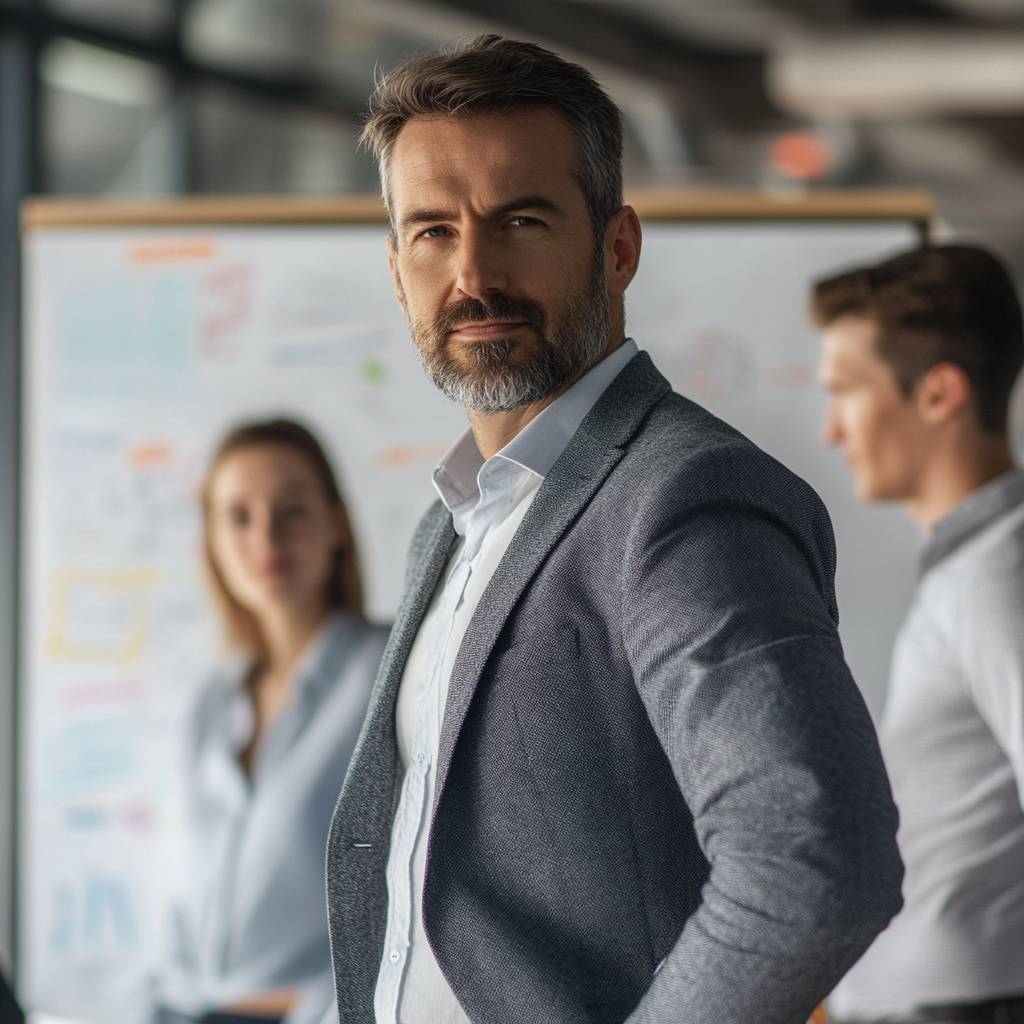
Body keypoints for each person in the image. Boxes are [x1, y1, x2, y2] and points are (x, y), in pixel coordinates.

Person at [325, 35, 903, 1024]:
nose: (473, 273)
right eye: (432, 231)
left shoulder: (683, 498)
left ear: (618, 245)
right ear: (395, 269)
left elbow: (814, 859)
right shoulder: (448, 525)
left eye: (520, 219)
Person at [813, 245, 1024, 1024]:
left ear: (938, 394)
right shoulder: (973, 565)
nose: (832, 430)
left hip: (961, 1003)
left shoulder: (999, 579)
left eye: (846, 392)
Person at [153, 418, 388, 1024]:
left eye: (292, 510)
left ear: (336, 524)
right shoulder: (212, 700)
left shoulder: (389, 673)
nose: (266, 538)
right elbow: (179, 897)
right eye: (238, 516)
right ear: (209, 540)